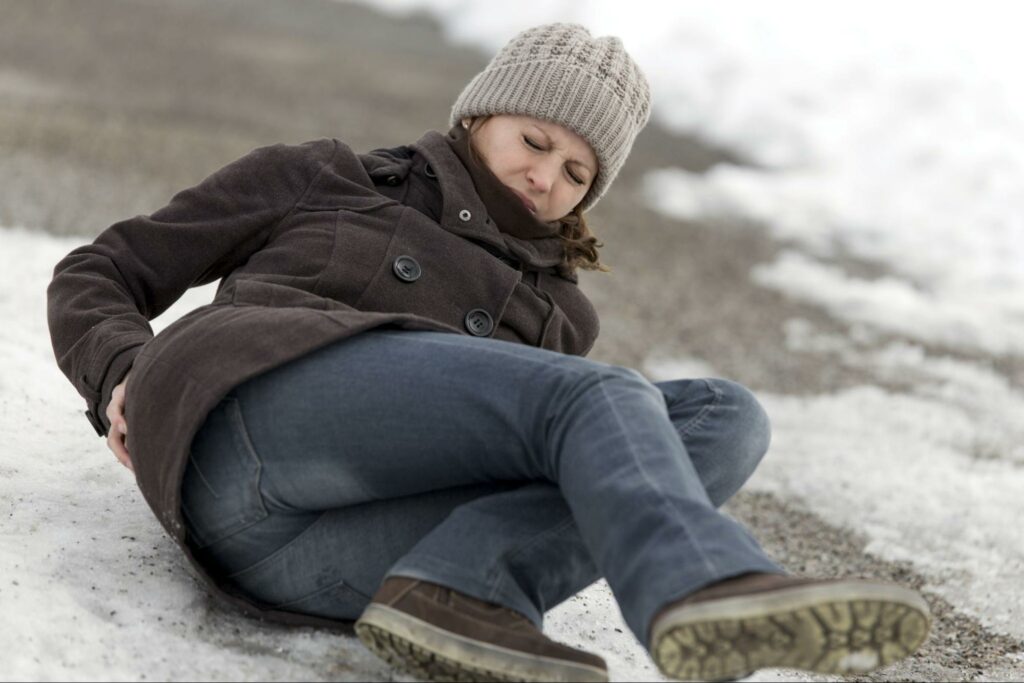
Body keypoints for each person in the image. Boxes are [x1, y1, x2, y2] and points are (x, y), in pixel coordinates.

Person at [47, 22, 930, 683]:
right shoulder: (332, 177)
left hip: (323, 562)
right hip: (240, 433)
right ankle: (700, 583)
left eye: (578, 172)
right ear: (479, 115)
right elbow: (100, 269)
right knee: (599, 400)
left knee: (727, 419)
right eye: (535, 141)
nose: (547, 176)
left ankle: (457, 588)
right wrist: (123, 366)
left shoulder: (560, 319)